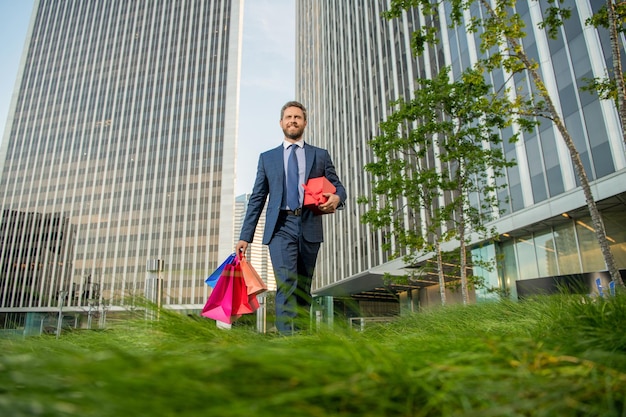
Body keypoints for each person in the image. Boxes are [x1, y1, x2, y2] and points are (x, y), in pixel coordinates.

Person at [236, 101, 347, 335]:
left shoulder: (319, 155)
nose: (293, 120)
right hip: (280, 227)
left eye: (297, 117)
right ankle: (288, 342)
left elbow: (338, 188)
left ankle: (303, 340)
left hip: (309, 225)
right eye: (288, 117)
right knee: (287, 284)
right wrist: (245, 236)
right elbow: (257, 198)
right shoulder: (268, 158)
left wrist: (337, 198)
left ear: (305, 122)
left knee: (303, 288)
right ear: (281, 123)